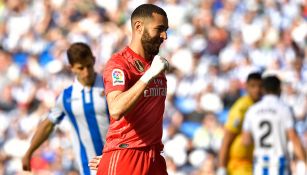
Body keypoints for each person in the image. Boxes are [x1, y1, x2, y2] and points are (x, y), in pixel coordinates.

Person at [95, 4, 169, 175]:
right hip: (126, 154)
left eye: (166, 30)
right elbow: (115, 109)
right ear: (138, 27)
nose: (164, 36)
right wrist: (148, 76)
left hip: (154, 157)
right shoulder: (120, 64)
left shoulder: (154, 65)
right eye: (159, 29)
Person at [22, 42, 109, 175]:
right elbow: (48, 125)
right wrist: (29, 152)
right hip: (90, 169)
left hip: (118, 160)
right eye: (81, 68)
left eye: (89, 66)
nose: (86, 72)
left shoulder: (110, 85)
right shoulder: (66, 97)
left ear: (94, 60)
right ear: (71, 68)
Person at [242, 75, 306, 175]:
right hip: (279, 165)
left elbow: (246, 140)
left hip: (260, 165)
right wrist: (305, 160)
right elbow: (293, 137)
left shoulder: (252, 111)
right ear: (279, 89)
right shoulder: (284, 109)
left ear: (263, 89)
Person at [218, 72, 262, 175]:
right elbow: (227, 139)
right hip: (239, 165)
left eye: (260, 86)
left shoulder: (261, 106)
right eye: (253, 86)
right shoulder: (241, 108)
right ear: (246, 87)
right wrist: (222, 168)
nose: (257, 90)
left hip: (254, 163)